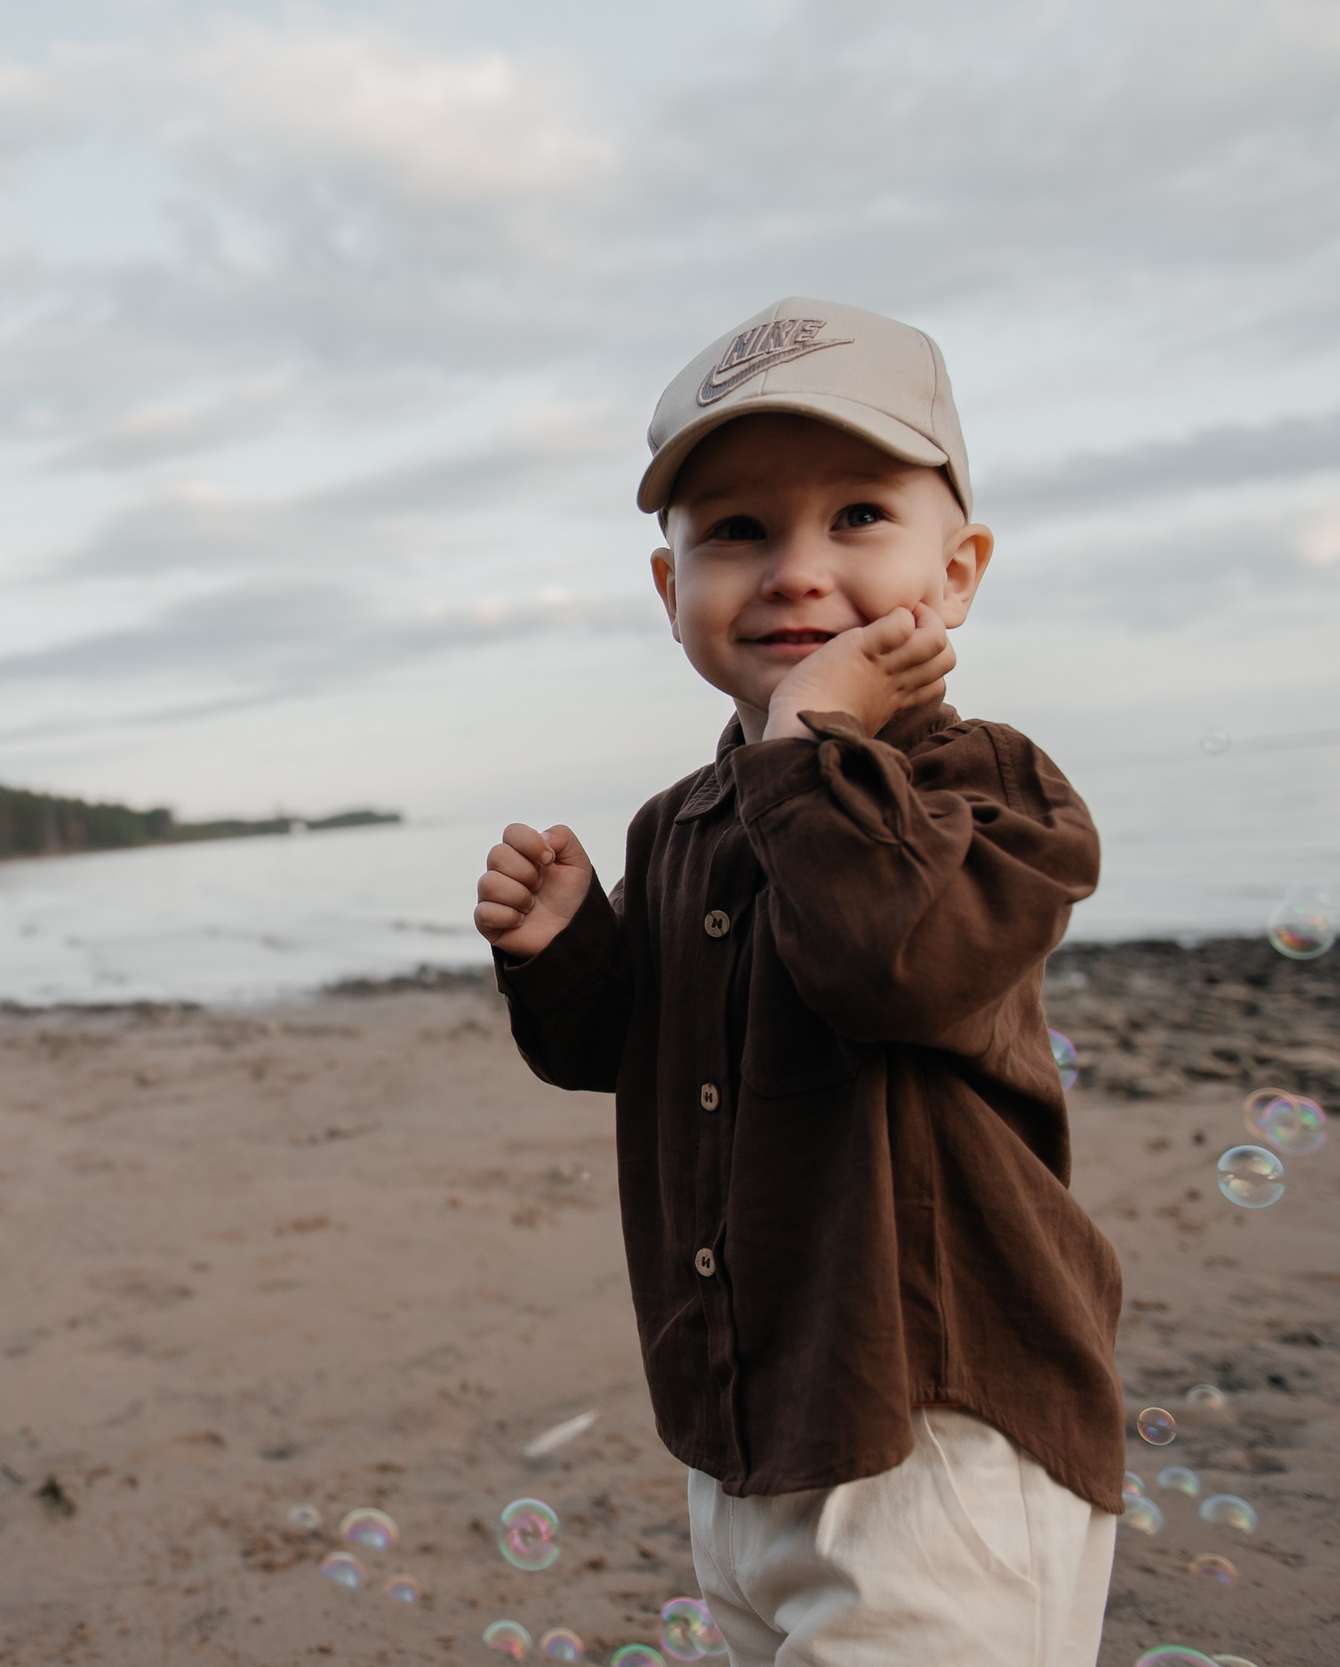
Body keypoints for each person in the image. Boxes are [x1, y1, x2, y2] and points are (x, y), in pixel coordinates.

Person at [474, 298, 1120, 1666]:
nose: (795, 571)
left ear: (959, 573)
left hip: (942, 1420)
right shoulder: (684, 820)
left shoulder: (989, 783)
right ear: (671, 593)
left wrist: (817, 737)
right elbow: (647, 1053)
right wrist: (566, 948)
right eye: (738, 531)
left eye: (859, 518)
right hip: (748, 1413)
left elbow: (888, 961)